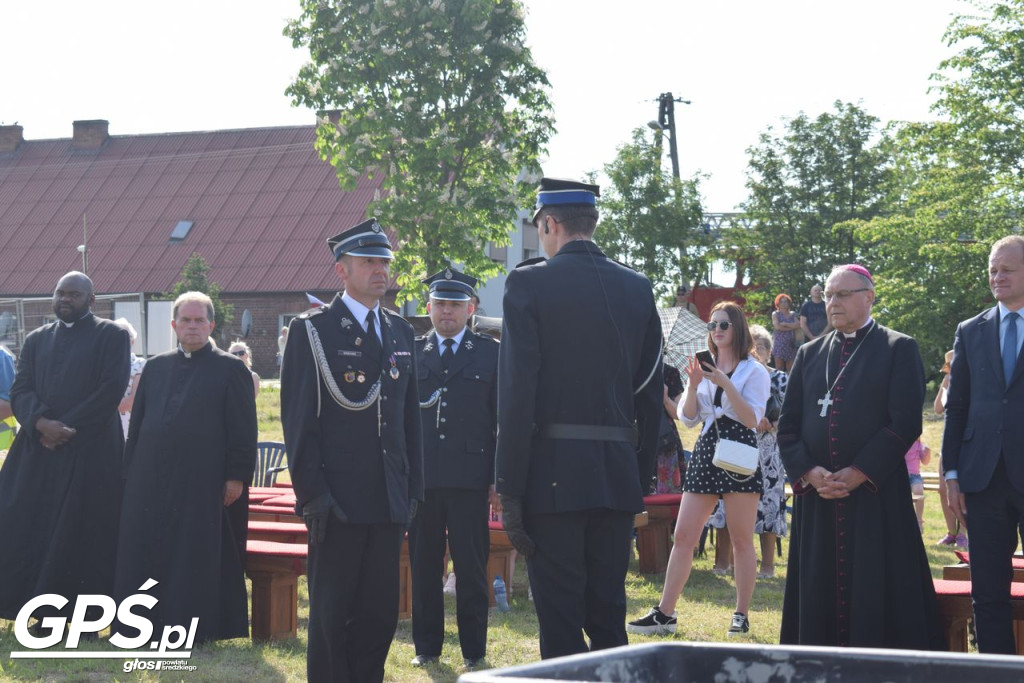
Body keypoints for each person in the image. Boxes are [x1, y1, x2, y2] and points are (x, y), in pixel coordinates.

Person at [495, 178, 663, 659]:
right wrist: (640, 472)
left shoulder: (528, 283)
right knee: (609, 615)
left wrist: (509, 485)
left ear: (549, 224)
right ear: (593, 223)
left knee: (561, 620)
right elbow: (649, 391)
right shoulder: (637, 286)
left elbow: (516, 394)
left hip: (551, 479)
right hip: (615, 475)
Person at [281, 217, 423, 682]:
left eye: (384, 261)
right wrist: (314, 496)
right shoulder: (315, 330)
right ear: (342, 269)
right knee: (330, 615)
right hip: (337, 502)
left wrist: (412, 491)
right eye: (368, 261)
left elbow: (408, 423)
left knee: (379, 615)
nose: (380, 270)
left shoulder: (400, 331)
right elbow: (299, 423)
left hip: (387, 500)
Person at [777, 264, 942, 649]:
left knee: (877, 586)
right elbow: (787, 427)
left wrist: (860, 471)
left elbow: (904, 423)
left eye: (842, 294)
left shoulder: (897, 347)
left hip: (874, 497)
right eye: (830, 295)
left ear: (869, 297)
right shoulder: (809, 353)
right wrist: (809, 472)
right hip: (818, 499)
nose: (832, 303)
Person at [113, 292, 257, 643]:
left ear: (211, 324)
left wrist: (236, 477)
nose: (192, 326)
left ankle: (196, 627)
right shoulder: (156, 367)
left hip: (203, 482)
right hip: (151, 480)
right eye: (185, 320)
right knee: (148, 549)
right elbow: (140, 421)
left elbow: (243, 429)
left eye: (199, 320)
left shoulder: (231, 369)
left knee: (194, 552)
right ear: (174, 325)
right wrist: (130, 474)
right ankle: (142, 623)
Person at [628, 301, 769, 638]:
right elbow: (689, 418)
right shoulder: (702, 368)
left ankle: (741, 613)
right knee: (684, 536)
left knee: (740, 540)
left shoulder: (755, 371)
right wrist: (693, 384)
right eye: (712, 325)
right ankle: (665, 613)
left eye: (723, 325)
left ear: (738, 329)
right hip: (707, 449)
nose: (716, 331)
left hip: (739, 450)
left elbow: (752, 420)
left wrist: (725, 382)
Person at [0, 272, 130, 621]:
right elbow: (20, 389)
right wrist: (41, 423)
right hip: (37, 451)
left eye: (73, 294)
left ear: (91, 299)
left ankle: (82, 617)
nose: (64, 300)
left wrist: (65, 428)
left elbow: (110, 389)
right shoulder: (37, 339)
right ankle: (24, 606)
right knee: (22, 522)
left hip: (90, 451)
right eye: (60, 294)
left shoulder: (111, 335)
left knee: (82, 532)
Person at [408, 266, 499, 671]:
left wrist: (498, 478)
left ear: (471, 308)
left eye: (455, 304)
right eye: (440, 304)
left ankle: (473, 650)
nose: (447, 312)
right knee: (424, 566)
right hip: (422, 480)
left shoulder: (490, 353)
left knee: (470, 567)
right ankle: (426, 647)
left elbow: (502, 420)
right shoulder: (411, 351)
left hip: (470, 479)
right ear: (428, 307)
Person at [942, 234, 1024, 654]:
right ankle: (997, 671)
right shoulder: (970, 331)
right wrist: (951, 475)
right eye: (993, 270)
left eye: (1007, 269)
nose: (997, 277)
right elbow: (956, 408)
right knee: (988, 593)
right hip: (982, 479)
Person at [749, 324, 788, 578]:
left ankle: (767, 566)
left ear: (769, 351)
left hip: (771, 450)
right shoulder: (739, 375)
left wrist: (773, 424)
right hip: (744, 445)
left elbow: (792, 412)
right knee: (737, 502)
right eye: (751, 346)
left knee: (770, 504)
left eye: (760, 347)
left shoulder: (781, 378)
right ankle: (732, 561)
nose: (755, 351)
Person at [933, 350, 967, 549]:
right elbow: (938, 408)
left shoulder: (971, 378)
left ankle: (964, 533)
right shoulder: (948, 379)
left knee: (964, 489)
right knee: (942, 488)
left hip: (967, 441)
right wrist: (946, 379)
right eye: (948, 365)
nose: (950, 367)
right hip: (948, 440)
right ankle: (951, 532)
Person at [652, 363, 685, 494]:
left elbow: (678, 414)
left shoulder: (669, 372)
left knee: (668, 493)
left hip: (665, 437)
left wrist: (665, 398)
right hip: (635, 434)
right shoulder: (630, 368)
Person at [112, 317, 146, 439]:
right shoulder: (101, 364)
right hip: (103, 427)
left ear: (132, 342)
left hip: (127, 426)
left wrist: (103, 409)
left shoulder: (140, 364)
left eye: (123, 338)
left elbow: (134, 400)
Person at [904, 439, 932, 532]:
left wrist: (927, 452)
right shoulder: (901, 442)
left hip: (914, 475)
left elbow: (925, 462)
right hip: (901, 475)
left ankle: (919, 520)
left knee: (918, 490)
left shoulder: (918, 444)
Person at [771, 294, 799, 372]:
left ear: (789, 303)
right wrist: (791, 327)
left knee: (791, 369)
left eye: (785, 302)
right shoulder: (775, 314)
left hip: (791, 344)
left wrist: (785, 324)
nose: (783, 303)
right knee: (779, 369)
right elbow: (777, 327)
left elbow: (798, 325)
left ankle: (790, 384)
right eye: (781, 302)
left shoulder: (793, 314)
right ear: (778, 303)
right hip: (779, 344)